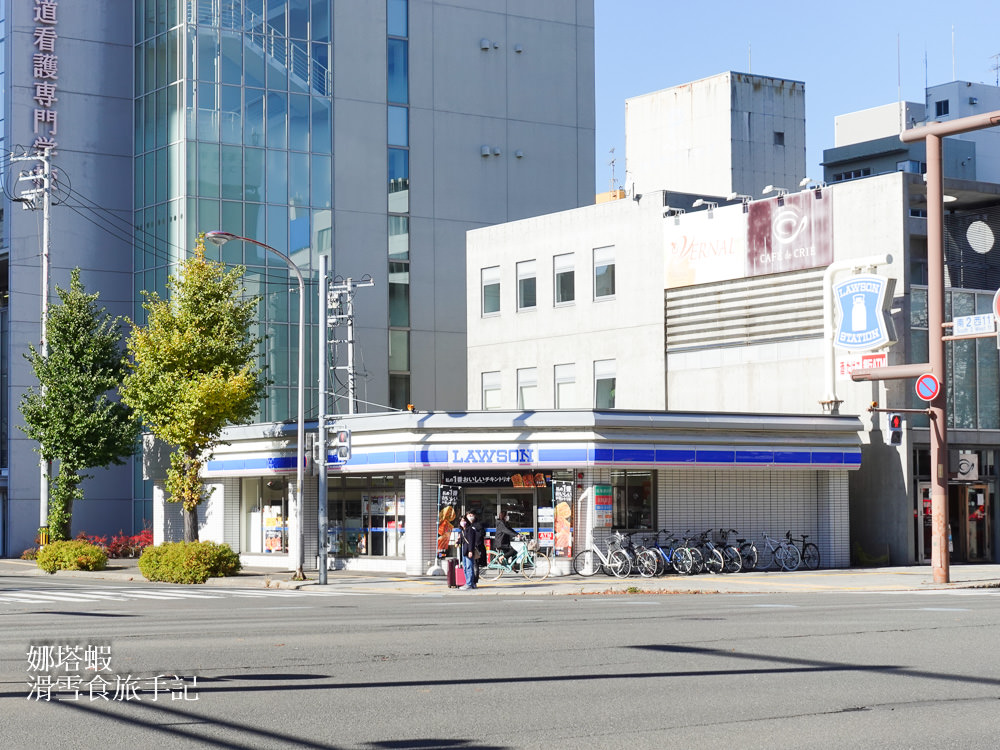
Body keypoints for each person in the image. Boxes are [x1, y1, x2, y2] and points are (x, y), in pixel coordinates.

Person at [458, 517, 479, 590]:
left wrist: (470, 551)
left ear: (467, 522)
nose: (462, 522)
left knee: (469, 567)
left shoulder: (470, 530)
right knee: (466, 567)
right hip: (464, 550)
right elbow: (462, 540)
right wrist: (458, 542)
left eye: (464, 521)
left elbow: (471, 541)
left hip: (468, 551)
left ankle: (469, 584)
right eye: (461, 521)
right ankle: (470, 583)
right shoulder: (462, 531)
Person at [466, 510, 487, 583]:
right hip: (467, 548)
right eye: (468, 515)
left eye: (471, 515)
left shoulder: (478, 524)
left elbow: (482, 534)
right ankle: (469, 580)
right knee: (468, 565)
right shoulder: (466, 525)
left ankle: (474, 581)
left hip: (476, 547)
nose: (470, 517)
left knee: (475, 564)